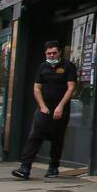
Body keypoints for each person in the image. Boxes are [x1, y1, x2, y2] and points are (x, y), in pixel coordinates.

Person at [12, 40, 77, 180]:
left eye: (54, 53)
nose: (51, 55)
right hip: (44, 108)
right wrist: (42, 105)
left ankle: (53, 167)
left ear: (59, 52)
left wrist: (61, 106)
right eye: (49, 53)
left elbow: (71, 87)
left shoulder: (68, 66)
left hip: (61, 108)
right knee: (34, 136)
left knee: (57, 138)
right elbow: (37, 87)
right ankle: (25, 167)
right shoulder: (42, 67)